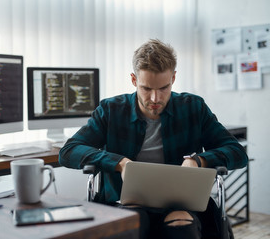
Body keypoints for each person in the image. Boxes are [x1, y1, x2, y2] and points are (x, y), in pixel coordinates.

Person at [58, 39, 248, 239]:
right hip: (125, 203)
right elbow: (68, 152)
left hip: (179, 204)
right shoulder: (111, 110)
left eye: (164, 88)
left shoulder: (193, 108)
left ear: (173, 78)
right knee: (133, 222)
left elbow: (237, 153)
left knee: (182, 225)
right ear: (133, 80)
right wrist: (120, 163)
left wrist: (198, 161)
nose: (155, 98)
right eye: (146, 89)